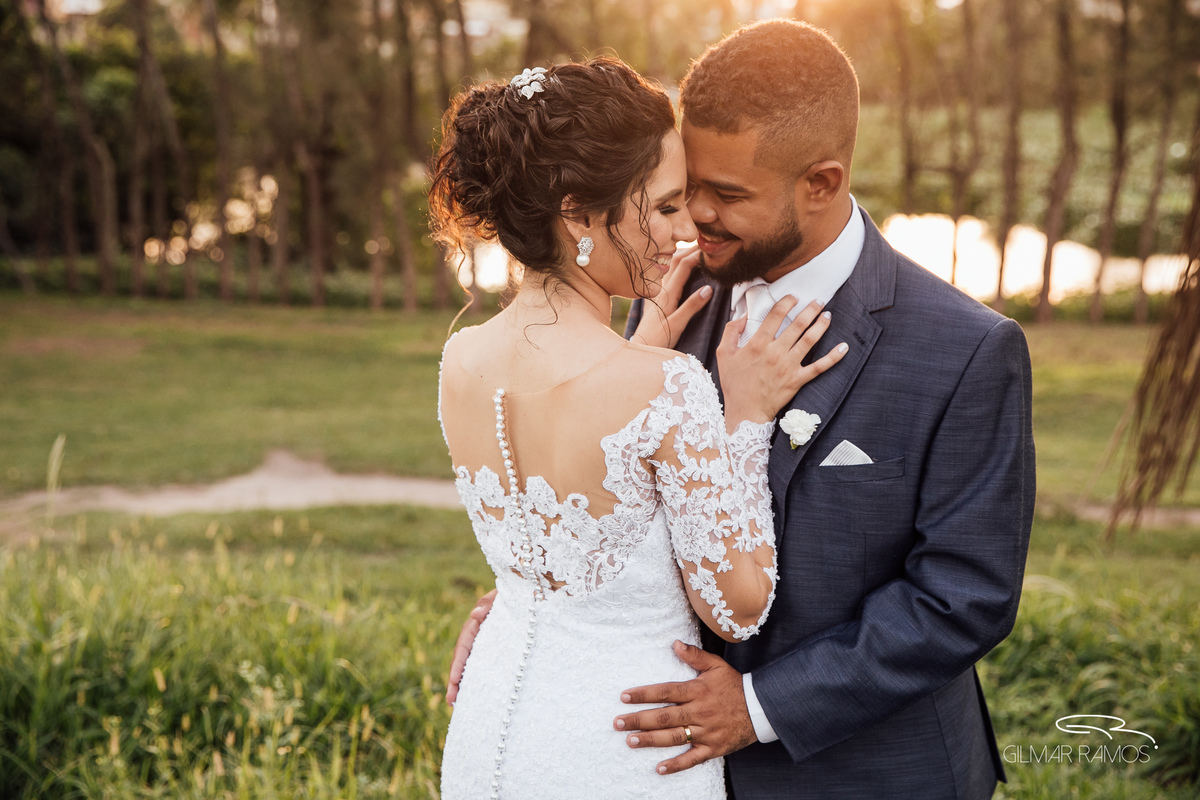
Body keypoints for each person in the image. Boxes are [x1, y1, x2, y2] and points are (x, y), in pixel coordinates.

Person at [448, 21, 1036, 800]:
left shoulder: (965, 350)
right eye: (684, 184)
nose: (691, 217)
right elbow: (616, 496)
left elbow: (965, 596)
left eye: (724, 195)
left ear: (820, 183)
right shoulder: (664, 291)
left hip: (864, 773)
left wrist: (761, 706)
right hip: (640, 756)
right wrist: (536, 597)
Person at [431, 57, 847, 799]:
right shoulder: (668, 388)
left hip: (489, 734)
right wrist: (746, 419)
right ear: (577, 213)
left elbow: (552, 522)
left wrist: (637, 347)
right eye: (661, 208)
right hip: (622, 749)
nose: (687, 228)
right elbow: (737, 606)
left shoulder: (462, 358)